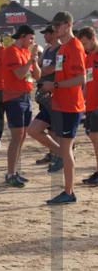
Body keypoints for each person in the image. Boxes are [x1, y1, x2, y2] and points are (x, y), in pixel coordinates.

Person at [39, 12, 86, 204]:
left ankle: (69, 192)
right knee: (34, 130)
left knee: (66, 150)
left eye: (58, 26)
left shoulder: (75, 47)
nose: (55, 29)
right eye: (54, 26)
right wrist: (52, 89)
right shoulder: (62, 48)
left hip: (70, 106)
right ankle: (63, 157)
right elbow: (62, 75)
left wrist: (55, 85)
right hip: (58, 102)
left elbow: (81, 79)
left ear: (68, 25)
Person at [2, 24, 40, 187]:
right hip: (14, 97)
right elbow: (19, 74)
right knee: (17, 136)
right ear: (23, 36)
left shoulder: (25, 52)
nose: (32, 41)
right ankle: (10, 173)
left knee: (22, 136)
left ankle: (14, 171)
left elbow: (36, 76)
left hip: (25, 96)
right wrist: (31, 59)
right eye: (31, 38)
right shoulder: (11, 51)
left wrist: (34, 60)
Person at [27, 25, 62, 170]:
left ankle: (60, 154)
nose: (44, 36)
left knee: (55, 127)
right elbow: (38, 67)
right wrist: (35, 62)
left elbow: (53, 68)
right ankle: (53, 153)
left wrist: (40, 71)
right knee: (49, 127)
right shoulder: (47, 49)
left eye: (46, 33)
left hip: (54, 94)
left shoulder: (60, 49)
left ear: (53, 34)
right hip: (44, 94)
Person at [79, 26, 98, 186]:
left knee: (95, 137)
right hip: (91, 104)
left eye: (85, 43)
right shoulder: (89, 57)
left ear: (93, 39)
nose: (84, 47)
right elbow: (87, 83)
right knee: (93, 137)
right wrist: (81, 100)